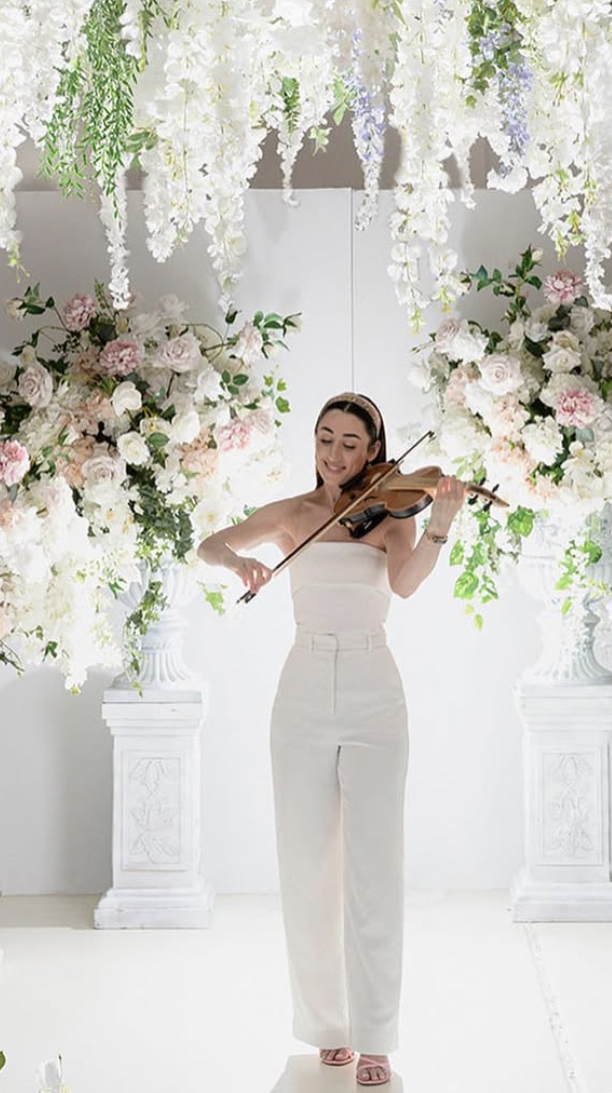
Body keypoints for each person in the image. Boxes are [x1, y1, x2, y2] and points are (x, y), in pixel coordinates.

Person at [197, 392, 465, 1087]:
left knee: (375, 865)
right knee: (308, 862)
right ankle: (328, 1025)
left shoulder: (389, 515)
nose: (335, 454)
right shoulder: (293, 515)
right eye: (325, 439)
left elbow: (404, 586)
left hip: (375, 688)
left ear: (375, 451)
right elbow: (212, 542)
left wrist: (440, 521)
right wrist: (240, 565)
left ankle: (377, 1035)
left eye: (350, 442)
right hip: (304, 689)